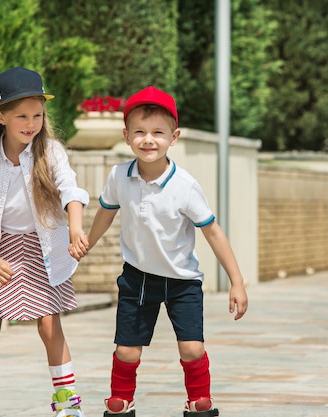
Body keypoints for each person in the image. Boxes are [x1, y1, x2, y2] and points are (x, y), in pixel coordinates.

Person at [74, 86, 248, 416]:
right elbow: (106, 213)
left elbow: (212, 231)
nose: (148, 140)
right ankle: (121, 398)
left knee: (192, 347)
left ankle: (199, 398)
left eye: (158, 133)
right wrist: (87, 242)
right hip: (137, 278)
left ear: (174, 137)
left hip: (182, 281)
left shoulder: (184, 185)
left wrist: (236, 281)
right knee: (127, 350)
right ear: (126, 136)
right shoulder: (118, 176)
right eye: (139, 132)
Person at [0, 67, 90, 417]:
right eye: (22, 116)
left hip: (43, 247)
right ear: (0, 116)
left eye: (38, 115)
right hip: (1, 249)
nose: (31, 124)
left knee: (49, 321)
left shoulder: (51, 152)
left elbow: (70, 188)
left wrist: (75, 227)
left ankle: (66, 401)